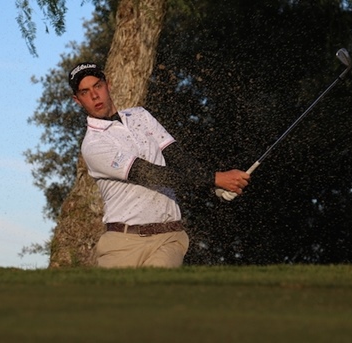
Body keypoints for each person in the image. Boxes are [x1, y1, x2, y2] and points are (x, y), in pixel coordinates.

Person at [69, 62, 250, 268]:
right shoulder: (93, 144)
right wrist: (214, 178)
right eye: (85, 92)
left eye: (97, 86)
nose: (94, 95)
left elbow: (179, 159)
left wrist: (215, 182)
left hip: (169, 238)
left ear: (108, 85)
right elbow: (150, 174)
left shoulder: (140, 116)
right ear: (77, 100)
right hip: (123, 243)